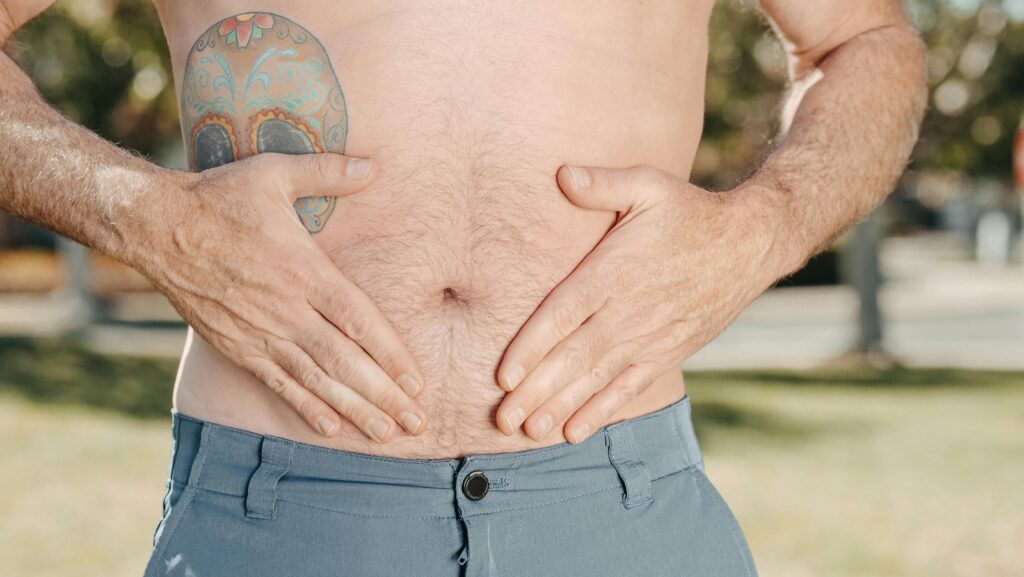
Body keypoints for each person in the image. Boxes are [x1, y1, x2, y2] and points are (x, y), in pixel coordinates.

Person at [0, 1, 927, 575]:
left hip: (615, 502)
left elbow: (866, 38)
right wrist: (149, 218)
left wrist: (761, 229)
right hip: (283, 508)